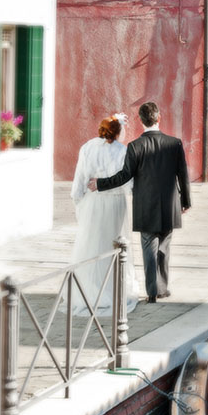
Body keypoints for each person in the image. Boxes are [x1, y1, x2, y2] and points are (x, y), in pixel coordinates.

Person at [89, 100, 190, 303]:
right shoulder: (175, 143)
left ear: (141, 121)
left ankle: (152, 291)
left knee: (149, 249)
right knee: (164, 248)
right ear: (159, 118)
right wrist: (185, 201)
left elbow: (124, 176)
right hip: (170, 206)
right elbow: (183, 175)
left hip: (146, 207)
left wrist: (100, 184)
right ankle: (162, 288)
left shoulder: (135, 146)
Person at [70, 113, 138, 316]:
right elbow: (128, 182)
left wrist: (79, 201)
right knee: (114, 244)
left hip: (93, 201)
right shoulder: (122, 150)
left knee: (92, 243)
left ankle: (90, 290)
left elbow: (80, 178)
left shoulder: (87, 147)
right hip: (115, 203)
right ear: (119, 132)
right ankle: (111, 288)